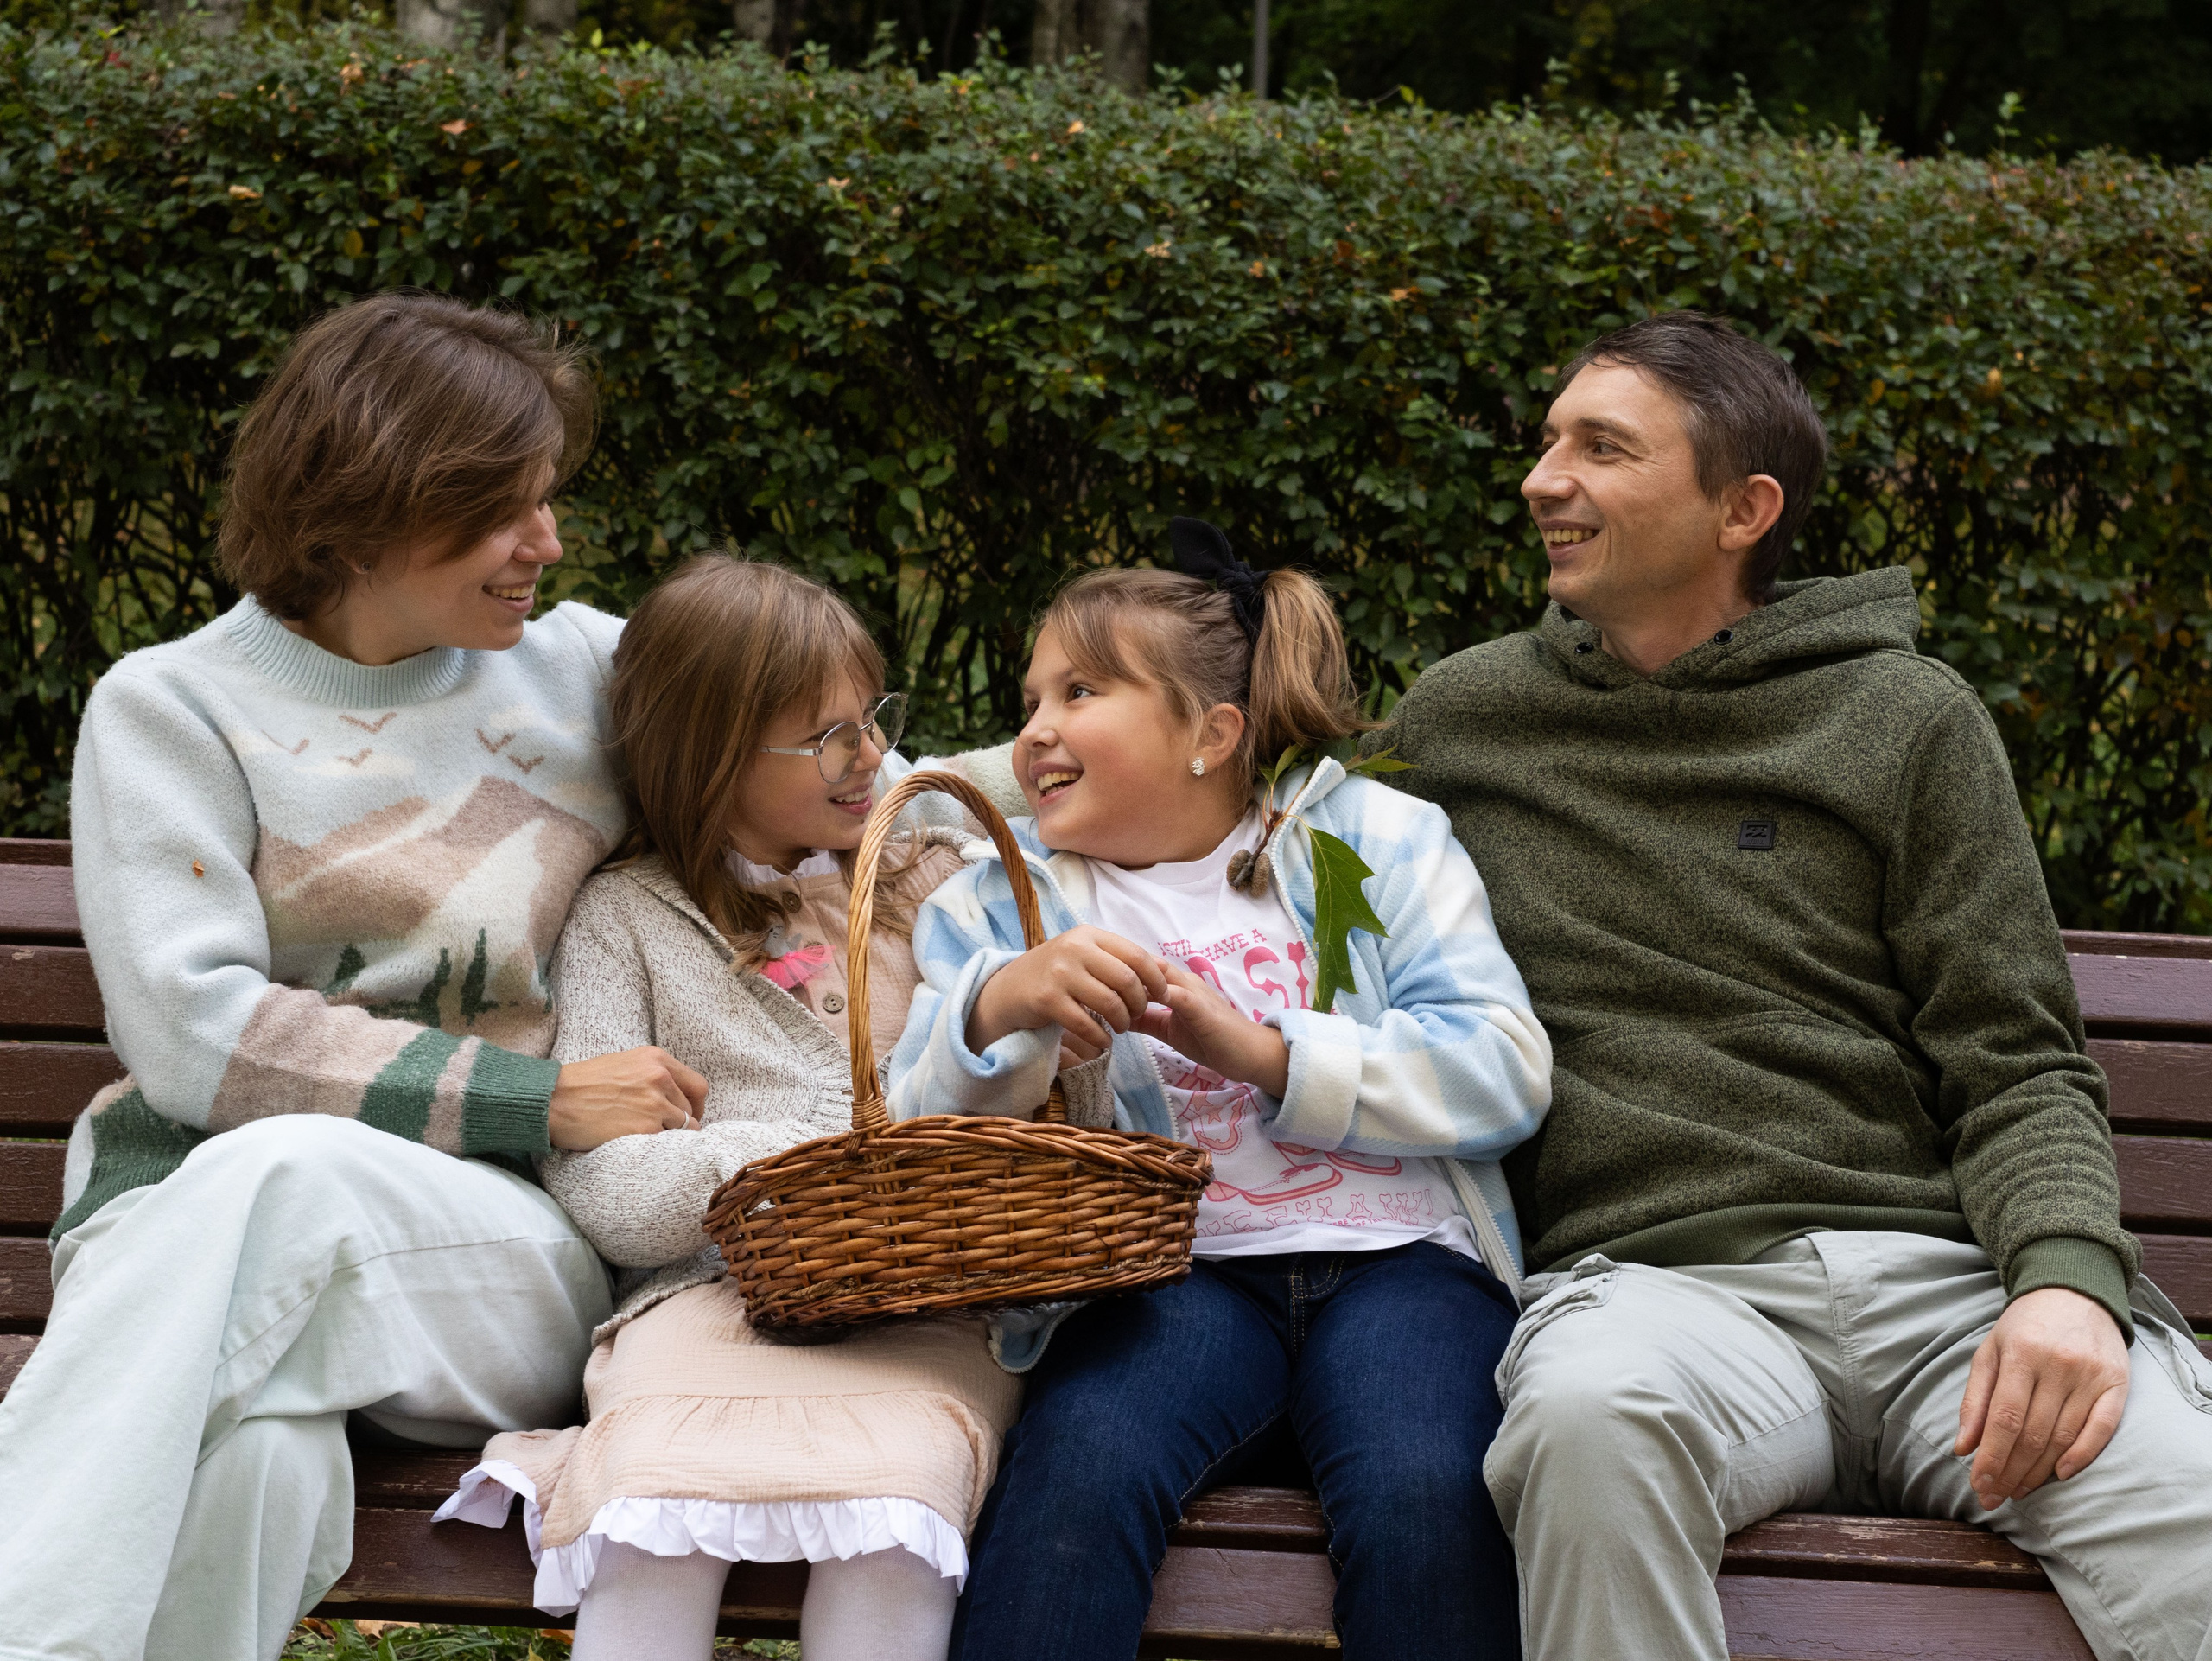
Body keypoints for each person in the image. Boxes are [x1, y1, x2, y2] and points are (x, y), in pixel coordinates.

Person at [1370, 309, 2212, 1661]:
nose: (1543, 478)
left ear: (1743, 509)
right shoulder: (1458, 722)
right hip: (1660, 1292)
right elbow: (1269, 847)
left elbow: (2019, 1058)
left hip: (1951, 1297)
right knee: (1588, 1424)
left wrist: (2064, 1282)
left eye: (1600, 446)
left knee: (2197, 1513)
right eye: (1547, 442)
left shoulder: (1905, 716)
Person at [0, 293, 708, 1661]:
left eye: (548, 500)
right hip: (210, 1252)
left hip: (505, 1256)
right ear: (373, 509)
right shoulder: (172, 709)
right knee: (260, 1460)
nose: (547, 546)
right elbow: (194, 1036)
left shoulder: (586, 673)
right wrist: (532, 1090)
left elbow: (846, 759)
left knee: (284, 1175)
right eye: (509, 508)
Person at [887, 526, 1551, 1661]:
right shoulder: (1002, 905)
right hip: (1170, 1279)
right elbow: (916, 1140)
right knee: (1080, 1463)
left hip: (1406, 1264)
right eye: (1030, 694)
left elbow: (1503, 1064)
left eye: (1082, 689)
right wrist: (1001, 1009)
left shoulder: (1375, 844)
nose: (1035, 726)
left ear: (1213, 733)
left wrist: (1264, 1052)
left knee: (1429, 1486)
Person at [434, 555, 1020, 1661]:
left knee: (894, 1505)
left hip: (925, 1310)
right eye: (826, 737)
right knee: (656, 1504)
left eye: (872, 719)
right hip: (706, 1306)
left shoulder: (932, 883)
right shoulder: (624, 919)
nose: (871, 757)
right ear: (707, 754)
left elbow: (1030, 1106)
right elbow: (609, 1188)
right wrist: (792, 1159)